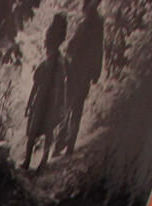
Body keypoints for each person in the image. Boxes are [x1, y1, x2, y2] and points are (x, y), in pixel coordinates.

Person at [23, 13, 69, 172]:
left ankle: (38, 161)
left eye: (48, 42)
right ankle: (30, 161)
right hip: (45, 100)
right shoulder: (48, 65)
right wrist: (30, 103)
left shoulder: (57, 64)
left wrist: (61, 105)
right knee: (37, 130)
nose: (46, 44)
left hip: (50, 101)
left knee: (43, 130)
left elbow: (59, 87)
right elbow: (36, 86)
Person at [60, 0, 105, 155]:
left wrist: (96, 71)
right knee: (71, 105)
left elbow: (97, 48)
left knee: (73, 105)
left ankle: (67, 142)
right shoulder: (86, 24)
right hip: (77, 70)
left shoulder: (94, 24)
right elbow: (73, 46)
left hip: (81, 71)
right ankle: (65, 142)